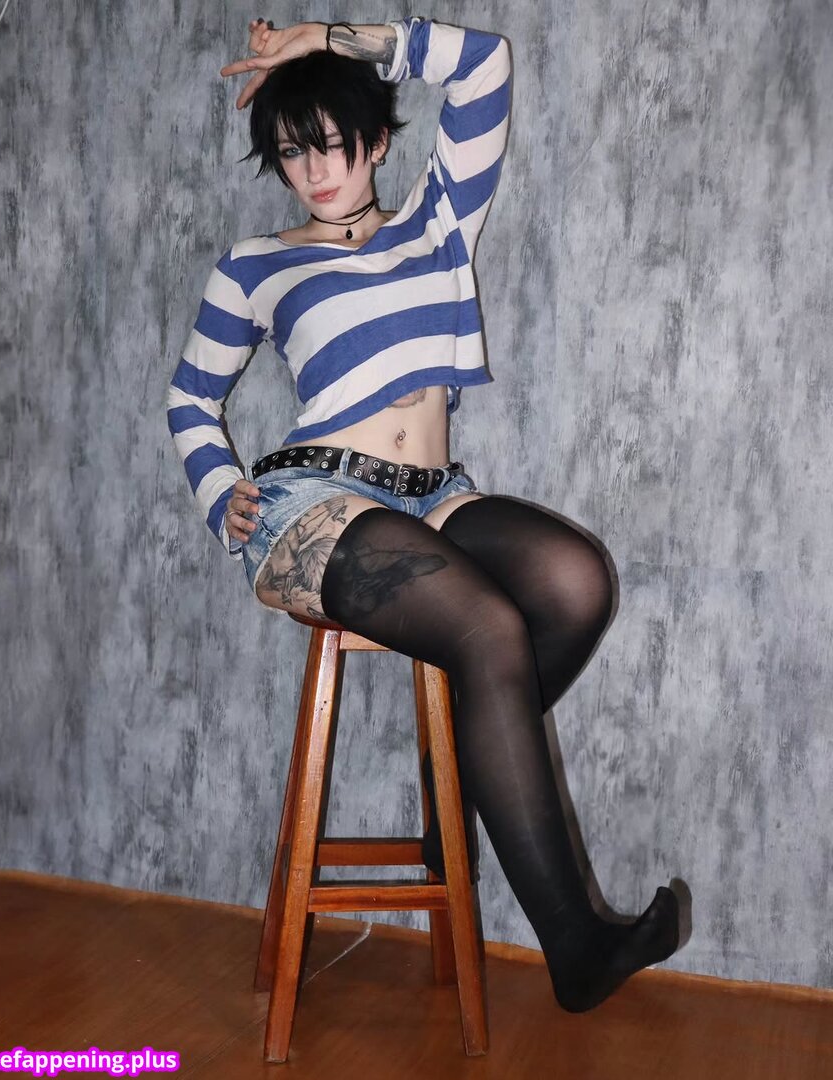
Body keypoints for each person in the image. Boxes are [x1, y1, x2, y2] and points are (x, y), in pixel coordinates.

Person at [167, 15, 683, 1013]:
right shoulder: (255, 263)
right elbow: (191, 397)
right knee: (488, 629)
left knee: (576, 583)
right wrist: (216, 490)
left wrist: (327, 39)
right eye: (292, 153)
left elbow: (485, 65)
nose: (315, 171)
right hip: (315, 500)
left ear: (374, 140)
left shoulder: (437, 222)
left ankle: (467, 784)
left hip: (434, 496)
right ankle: (578, 947)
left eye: (331, 143)